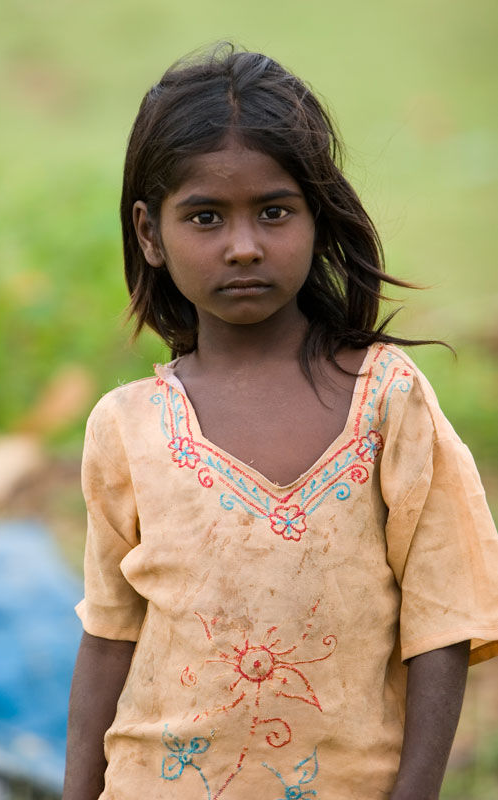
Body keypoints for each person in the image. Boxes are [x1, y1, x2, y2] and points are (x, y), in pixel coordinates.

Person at [63, 44, 498, 800]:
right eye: (204, 216)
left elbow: (443, 619)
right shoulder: (126, 427)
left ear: (316, 218)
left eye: (273, 211)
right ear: (149, 233)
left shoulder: (386, 400)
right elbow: (108, 637)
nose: (243, 246)